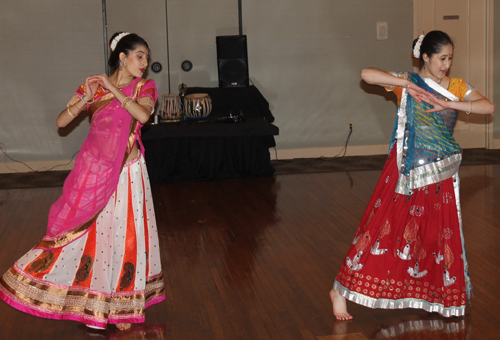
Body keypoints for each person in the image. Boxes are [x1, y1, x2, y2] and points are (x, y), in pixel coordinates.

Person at [0, 32, 165, 331]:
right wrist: (86, 98)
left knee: (124, 238)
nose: (145, 63)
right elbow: (62, 122)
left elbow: (141, 116)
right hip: (93, 172)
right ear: (123, 57)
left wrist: (113, 89)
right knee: (95, 239)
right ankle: (95, 304)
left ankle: (122, 306)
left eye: (147, 58)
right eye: (140, 56)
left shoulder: (145, 87)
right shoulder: (93, 87)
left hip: (127, 175)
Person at [330, 31, 494, 320]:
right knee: (381, 231)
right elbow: (367, 74)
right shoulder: (410, 84)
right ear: (426, 57)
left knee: (435, 235)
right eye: (441, 58)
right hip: (405, 172)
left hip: (439, 172)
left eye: (450, 58)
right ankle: (340, 290)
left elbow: (487, 106)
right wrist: (405, 83)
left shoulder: (455, 86)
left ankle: (436, 296)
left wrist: (450, 104)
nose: (446, 64)